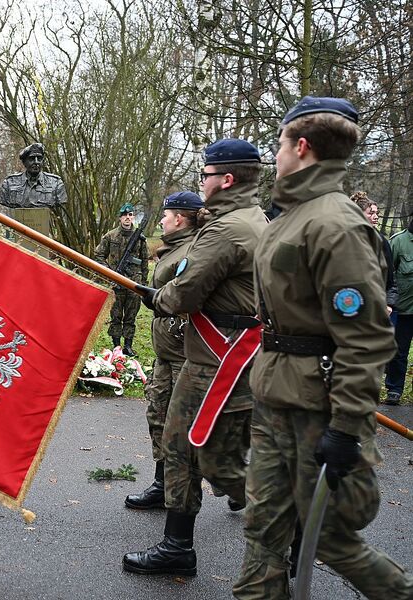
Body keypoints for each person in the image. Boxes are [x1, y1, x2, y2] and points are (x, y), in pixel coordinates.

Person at [233, 97, 413, 598]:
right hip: (275, 393)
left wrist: (346, 427)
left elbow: (367, 338)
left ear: (302, 147)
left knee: (330, 539)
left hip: (318, 404)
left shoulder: (338, 225)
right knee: (263, 528)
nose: (275, 154)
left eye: (280, 143)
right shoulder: (293, 214)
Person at [124, 139, 267, 576]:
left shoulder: (225, 229)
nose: (200, 182)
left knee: (193, 451)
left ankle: (280, 522)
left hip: (217, 359)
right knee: (201, 451)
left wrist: (158, 297)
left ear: (225, 179)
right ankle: (180, 544)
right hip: (229, 352)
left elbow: (184, 294)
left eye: (204, 175)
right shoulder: (252, 218)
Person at [124, 191, 202, 510]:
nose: (161, 221)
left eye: (165, 216)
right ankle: (163, 483)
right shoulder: (171, 248)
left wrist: (159, 298)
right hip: (167, 350)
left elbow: (187, 294)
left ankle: (231, 483)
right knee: (158, 416)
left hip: (185, 352)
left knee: (175, 424)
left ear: (179, 218)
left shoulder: (194, 249)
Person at [94, 203, 149, 356]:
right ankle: (117, 345)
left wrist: (144, 283)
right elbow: (98, 255)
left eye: (130, 215)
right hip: (116, 282)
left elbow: (144, 260)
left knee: (131, 316)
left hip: (134, 284)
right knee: (116, 316)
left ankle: (128, 346)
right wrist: (110, 272)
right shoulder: (110, 236)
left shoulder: (140, 239)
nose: (127, 218)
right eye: (124, 215)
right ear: (120, 218)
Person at [386, 216, 413, 406]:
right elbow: (388, 276)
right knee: (399, 352)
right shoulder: (399, 241)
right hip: (404, 310)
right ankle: (394, 389)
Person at [0, 143, 67, 208]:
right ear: (24, 162)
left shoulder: (56, 183)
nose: (36, 162)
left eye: (39, 158)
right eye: (32, 159)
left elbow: (61, 200)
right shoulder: (9, 183)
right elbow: (3, 200)